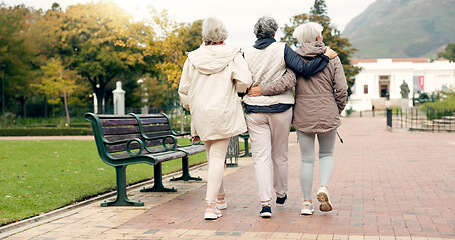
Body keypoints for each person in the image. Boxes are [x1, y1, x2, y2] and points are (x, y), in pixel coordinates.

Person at [249, 22, 348, 215]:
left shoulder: (294, 57)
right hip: (328, 110)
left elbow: (286, 82)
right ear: (319, 37)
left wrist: (262, 90)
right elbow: (341, 89)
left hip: (303, 113)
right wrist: (337, 109)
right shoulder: (332, 56)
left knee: (307, 159)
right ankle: (324, 188)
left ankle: (306, 203)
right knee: (326, 154)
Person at [178, 17, 252, 220]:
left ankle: (220, 198)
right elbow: (245, 81)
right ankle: (210, 206)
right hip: (223, 110)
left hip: (201, 112)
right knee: (219, 157)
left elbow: (183, 90)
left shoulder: (192, 57)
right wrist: (237, 90)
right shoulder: (233, 54)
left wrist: (190, 106)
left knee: (213, 157)